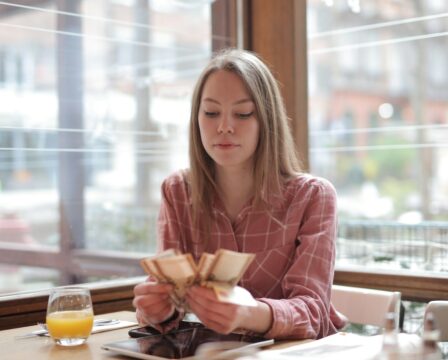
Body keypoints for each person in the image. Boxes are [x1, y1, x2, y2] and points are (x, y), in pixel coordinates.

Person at [133, 48, 346, 340]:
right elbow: (168, 302)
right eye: (210, 113)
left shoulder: (313, 197)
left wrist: (250, 313)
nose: (224, 127)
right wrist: (157, 310)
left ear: (266, 121)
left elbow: (313, 312)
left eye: (243, 114)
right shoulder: (177, 192)